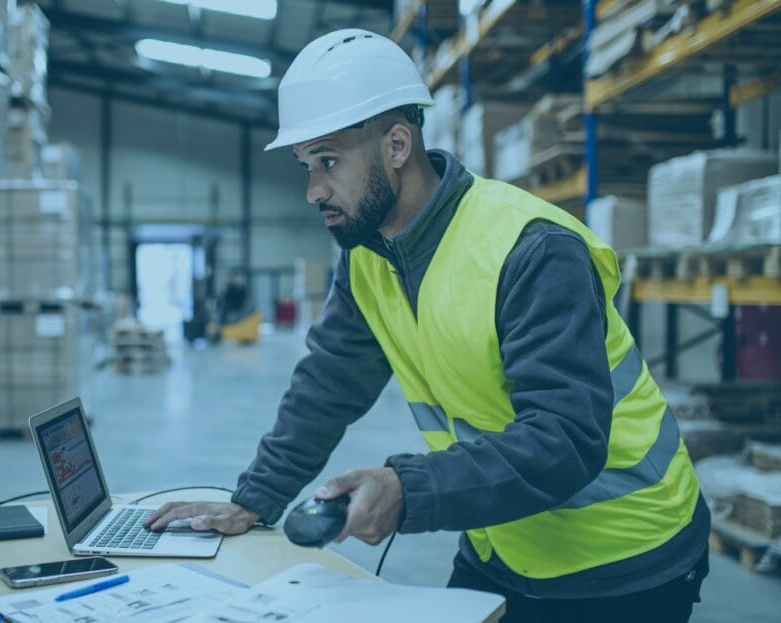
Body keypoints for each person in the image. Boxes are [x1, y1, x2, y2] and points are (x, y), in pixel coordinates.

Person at [145, 28, 709, 622]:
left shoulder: (531, 249)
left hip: (623, 556)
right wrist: (256, 498)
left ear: (396, 145)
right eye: (306, 165)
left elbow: (567, 438)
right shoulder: (367, 255)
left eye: (329, 161)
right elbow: (329, 385)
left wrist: (407, 488)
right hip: (504, 541)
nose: (314, 190)